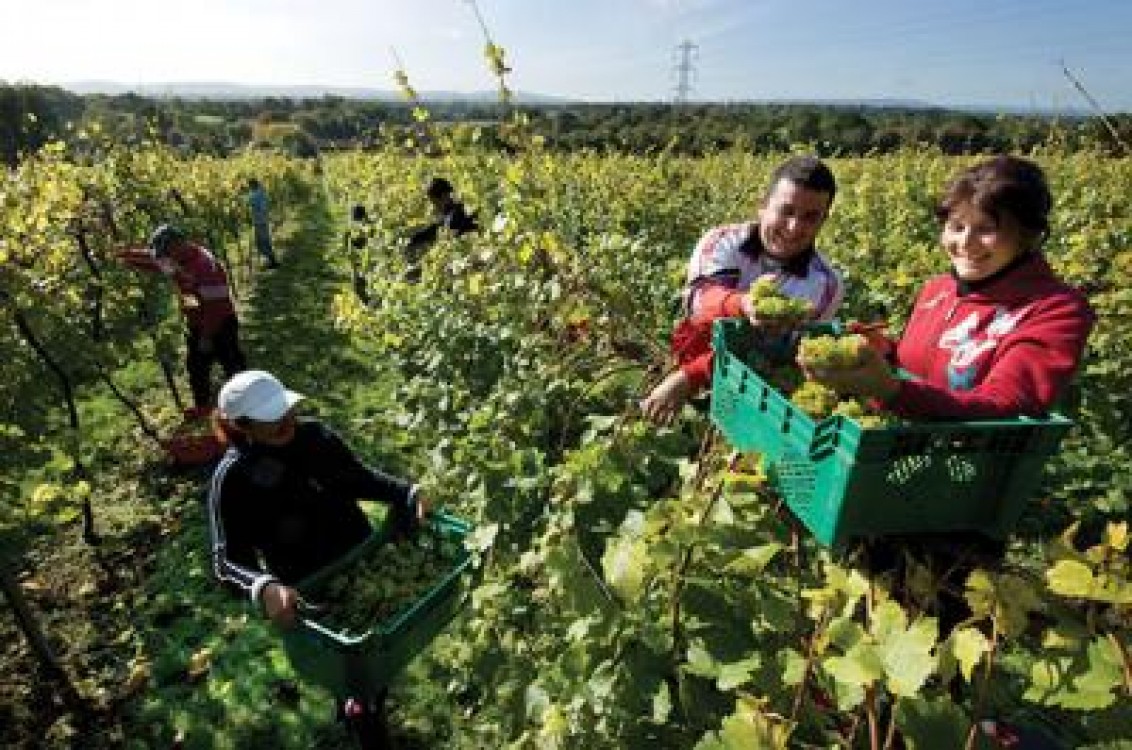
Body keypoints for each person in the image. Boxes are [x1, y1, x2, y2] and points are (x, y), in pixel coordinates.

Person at [207, 370, 428, 746]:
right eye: (270, 418)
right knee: (352, 670)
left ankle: (363, 698)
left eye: (286, 411)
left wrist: (407, 492)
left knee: (378, 652)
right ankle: (362, 715)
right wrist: (264, 587)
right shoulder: (232, 480)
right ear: (240, 425)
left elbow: (358, 478)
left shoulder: (315, 438)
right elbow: (225, 560)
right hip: (312, 587)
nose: (285, 421)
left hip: (361, 560)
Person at [803, 155, 1095, 420]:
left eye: (986, 229)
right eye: (956, 227)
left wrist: (890, 391)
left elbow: (1007, 403)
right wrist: (880, 352)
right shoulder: (939, 290)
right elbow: (921, 368)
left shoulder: (1056, 309)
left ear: (1028, 236)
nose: (966, 243)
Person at [640, 155, 845, 424]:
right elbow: (701, 302)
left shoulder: (825, 285)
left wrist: (690, 377)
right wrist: (743, 304)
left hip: (755, 398)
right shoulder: (723, 243)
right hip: (684, 373)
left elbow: (785, 359)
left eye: (810, 217)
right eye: (786, 211)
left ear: (823, 221)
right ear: (762, 206)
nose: (794, 227)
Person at [116, 224, 247, 413]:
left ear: (178, 244)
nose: (164, 258)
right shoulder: (177, 258)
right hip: (197, 322)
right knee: (196, 369)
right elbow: (153, 261)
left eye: (166, 252)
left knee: (233, 366)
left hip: (220, 323)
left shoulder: (204, 265)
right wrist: (125, 256)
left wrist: (206, 336)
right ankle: (203, 410)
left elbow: (216, 306)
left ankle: (247, 407)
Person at [405, 177, 479, 278]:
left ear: (444, 196)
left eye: (435, 202)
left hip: (463, 259)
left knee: (416, 273)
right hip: (454, 258)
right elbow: (434, 229)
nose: (434, 206)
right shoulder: (448, 214)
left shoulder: (459, 213)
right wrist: (414, 239)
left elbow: (449, 237)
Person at [247, 178, 280, 269]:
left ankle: (273, 261)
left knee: (263, 242)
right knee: (263, 242)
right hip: (261, 221)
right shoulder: (261, 192)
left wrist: (254, 209)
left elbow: (262, 207)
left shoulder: (257, 195)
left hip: (260, 222)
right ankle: (271, 260)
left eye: (250, 186)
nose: (249, 188)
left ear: (253, 185)